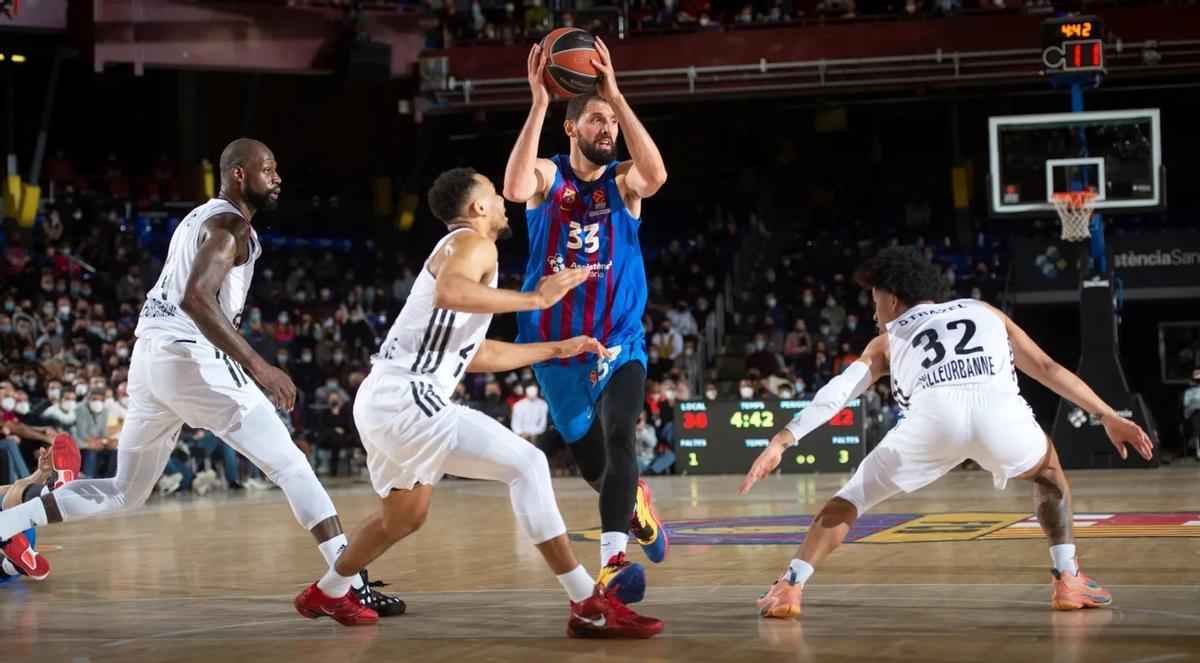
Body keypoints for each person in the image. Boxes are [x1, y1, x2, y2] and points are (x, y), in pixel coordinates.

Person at [0, 138, 403, 616]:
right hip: (190, 358)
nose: (277, 178)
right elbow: (196, 297)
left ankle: (8, 524)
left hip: (151, 359)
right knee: (291, 465)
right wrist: (259, 365)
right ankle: (346, 583)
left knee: (125, 492)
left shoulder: (198, 217)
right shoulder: (230, 225)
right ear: (238, 174)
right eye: (268, 168)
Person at [297, 168, 662, 637]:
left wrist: (557, 348)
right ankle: (587, 604)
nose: (502, 200)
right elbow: (452, 291)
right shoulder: (472, 243)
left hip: (380, 398)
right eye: (493, 193)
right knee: (528, 464)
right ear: (477, 208)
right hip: (409, 396)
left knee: (404, 515)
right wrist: (536, 300)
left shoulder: (462, 255)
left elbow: (477, 355)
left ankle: (327, 591)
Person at [740, 247, 1154, 618]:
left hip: (932, 423)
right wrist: (1106, 415)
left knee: (851, 498)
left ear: (894, 299)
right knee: (1049, 474)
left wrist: (783, 439)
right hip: (999, 416)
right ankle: (1067, 578)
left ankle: (791, 585)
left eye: (875, 302)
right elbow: (1048, 369)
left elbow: (837, 394)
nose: (874, 313)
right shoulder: (985, 311)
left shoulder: (887, 340)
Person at [503, 36, 671, 593]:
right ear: (572, 129)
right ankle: (636, 506)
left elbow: (657, 176)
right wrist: (538, 103)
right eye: (597, 120)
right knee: (596, 469)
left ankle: (613, 561)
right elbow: (512, 185)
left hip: (619, 341)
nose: (608, 129)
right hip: (555, 348)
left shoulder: (625, 184)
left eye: (612, 124)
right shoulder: (550, 179)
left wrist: (615, 95)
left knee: (622, 436)